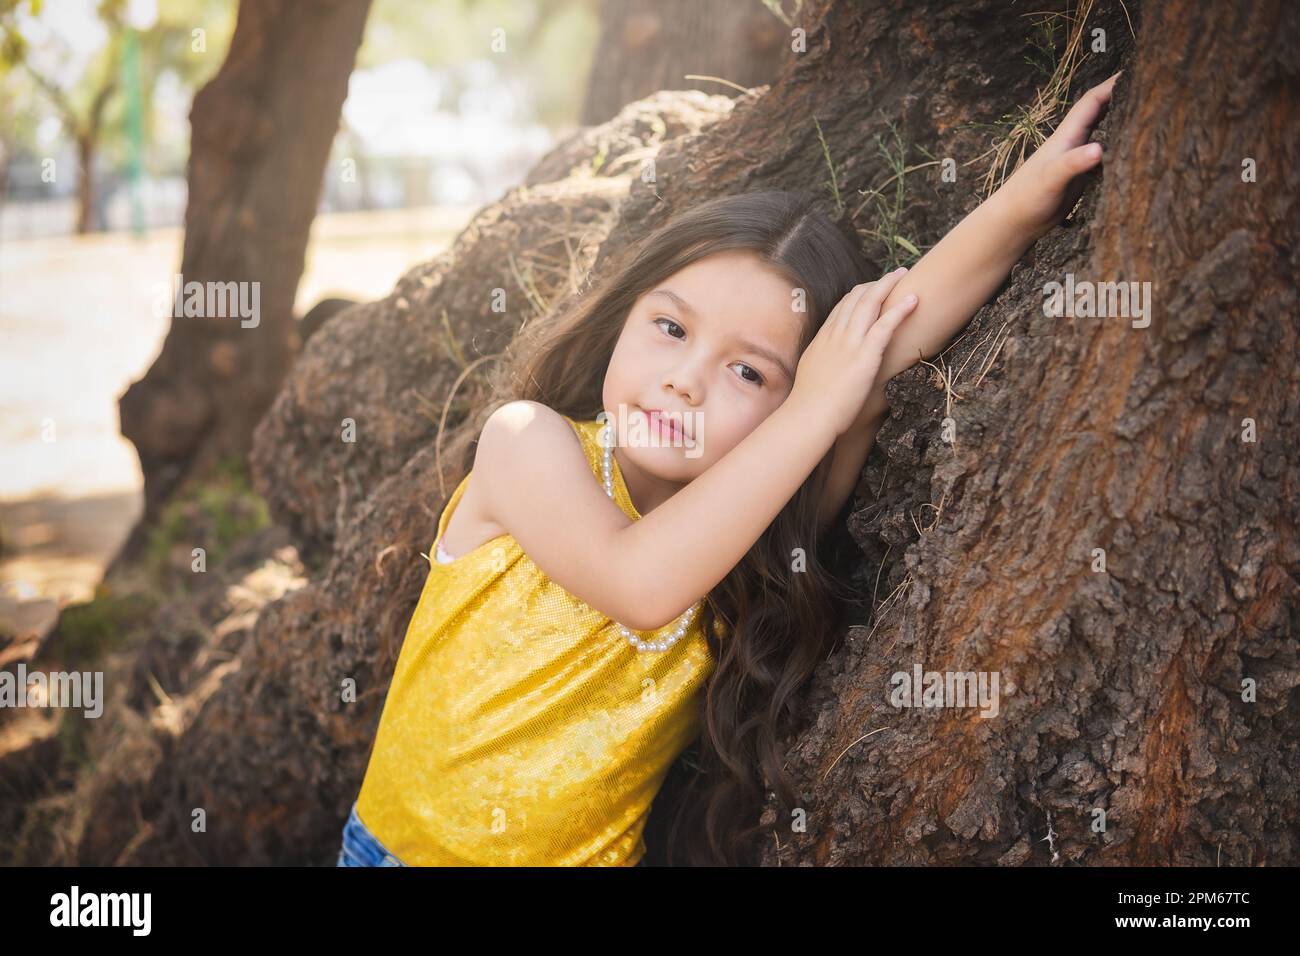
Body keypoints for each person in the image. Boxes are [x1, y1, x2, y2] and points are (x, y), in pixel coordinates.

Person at [336, 72, 1121, 867]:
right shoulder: (526, 442)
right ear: (624, 317)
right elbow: (638, 583)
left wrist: (1028, 203)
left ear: (788, 407)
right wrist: (812, 406)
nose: (686, 378)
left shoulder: (757, 534)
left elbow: (880, 353)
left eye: (750, 373)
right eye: (671, 327)